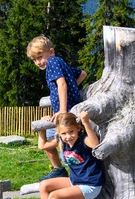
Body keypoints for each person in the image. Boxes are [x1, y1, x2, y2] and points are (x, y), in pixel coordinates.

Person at [17, 111, 105, 199]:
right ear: (59, 133)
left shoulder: (83, 140)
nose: (68, 137)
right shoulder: (62, 141)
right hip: (75, 181)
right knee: (44, 185)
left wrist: (86, 122)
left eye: (71, 132)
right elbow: (42, 145)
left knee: (54, 196)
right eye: (63, 133)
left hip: (90, 186)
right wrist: (44, 127)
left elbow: (95, 144)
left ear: (78, 128)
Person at [27, 35, 89, 181]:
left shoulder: (52, 63)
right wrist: (73, 89)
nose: (38, 62)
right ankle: (62, 169)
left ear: (51, 52)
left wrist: (62, 111)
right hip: (67, 109)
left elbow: (61, 84)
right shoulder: (60, 63)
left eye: (40, 57)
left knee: (52, 141)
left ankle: (60, 169)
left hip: (65, 111)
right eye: (34, 60)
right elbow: (82, 74)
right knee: (53, 138)